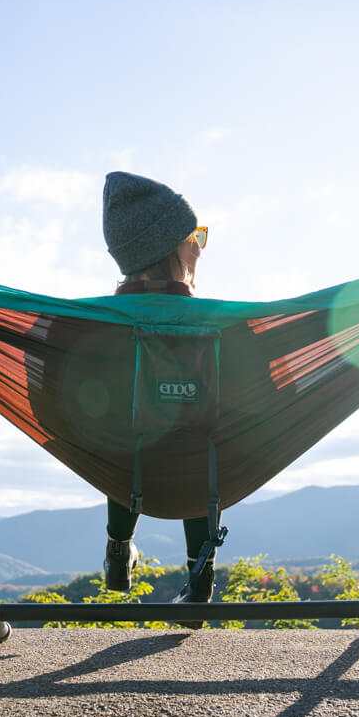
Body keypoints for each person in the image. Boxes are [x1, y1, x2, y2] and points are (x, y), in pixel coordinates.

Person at [100, 171, 216, 608]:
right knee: (199, 434)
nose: (201, 248)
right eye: (196, 237)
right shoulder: (216, 325)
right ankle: (201, 571)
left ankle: (118, 543)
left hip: (120, 460)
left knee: (120, 433)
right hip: (201, 459)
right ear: (174, 246)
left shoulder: (91, 325)